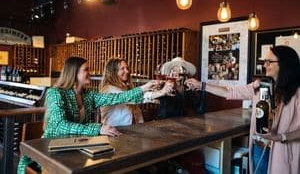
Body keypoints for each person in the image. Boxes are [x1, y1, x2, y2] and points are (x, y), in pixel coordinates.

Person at [17, 56, 174, 174]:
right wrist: (98, 128)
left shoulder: (89, 94)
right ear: (74, 73)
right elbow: (59, 125)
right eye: (86, 69)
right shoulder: (55, 93)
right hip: (51, 150)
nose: (90, 73)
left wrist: (143, 88)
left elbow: (116, 98)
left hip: (77, 148)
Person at [185, 45, 300, 174]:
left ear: (284, 64)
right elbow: (231, 92)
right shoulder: (260, 86)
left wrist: (281, 137)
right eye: (264, 62)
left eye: (269, 61)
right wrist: (202, 85)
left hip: (283, 151)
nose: (264, 65)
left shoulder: (297, 93)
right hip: (259, 147)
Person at [99, 58, 174, 126]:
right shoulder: (108, 90)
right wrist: (153, 90)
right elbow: (129, 98)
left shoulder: (125, 87)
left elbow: (139, 99)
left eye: (127, 68)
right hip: (115, 133)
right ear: (113, 72)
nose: (127, 71)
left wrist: (160, 92)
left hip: (132, 131)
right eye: (122, 69)